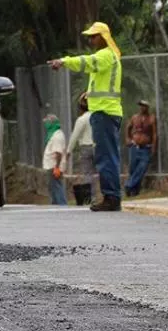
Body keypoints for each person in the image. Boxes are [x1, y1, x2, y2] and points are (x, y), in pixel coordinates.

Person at [49, 21, 123, 212]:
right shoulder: (110, 57)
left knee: (106, 158)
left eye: (94, 36)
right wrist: (89, 93)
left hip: (105, 113)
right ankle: (111, 196)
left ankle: (111, 198)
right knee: (108, 156)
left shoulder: (105, 55)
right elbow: (101, 80)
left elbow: (86, 62)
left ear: (104, 37)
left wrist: (64, 62)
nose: (91, 40)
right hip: (106, 111)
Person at [66, 93, 98, 205]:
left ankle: (91, 198)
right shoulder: (98, 116)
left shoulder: (82, 119)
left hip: (86, 147)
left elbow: (75, 135)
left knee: (87, 173)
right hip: (98, 146)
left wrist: (69, 150)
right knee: (102, 172)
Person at [124, 100, 157, 197]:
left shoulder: (151, 118)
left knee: (142, 168)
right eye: (141, 106)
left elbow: (154, 134)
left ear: (147, 107)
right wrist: (127, 139)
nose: (142, 107)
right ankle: (133, 191)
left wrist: (154, 147)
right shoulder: (134, 117)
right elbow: (128, 128)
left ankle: (128, 185)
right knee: (133, 169)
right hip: (134, 146)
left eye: (144, 106)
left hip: (145, 147)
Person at [42, 114, 67, 205]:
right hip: (51, 166)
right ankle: (56, 205)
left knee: (56, 187)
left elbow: (58, 153)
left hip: (54, 166)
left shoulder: (57, 136)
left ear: (52, 123)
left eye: (47, 122)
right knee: (53, 188)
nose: (46, 124)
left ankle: (61, 205)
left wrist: (56, 167)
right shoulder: (53, 135)